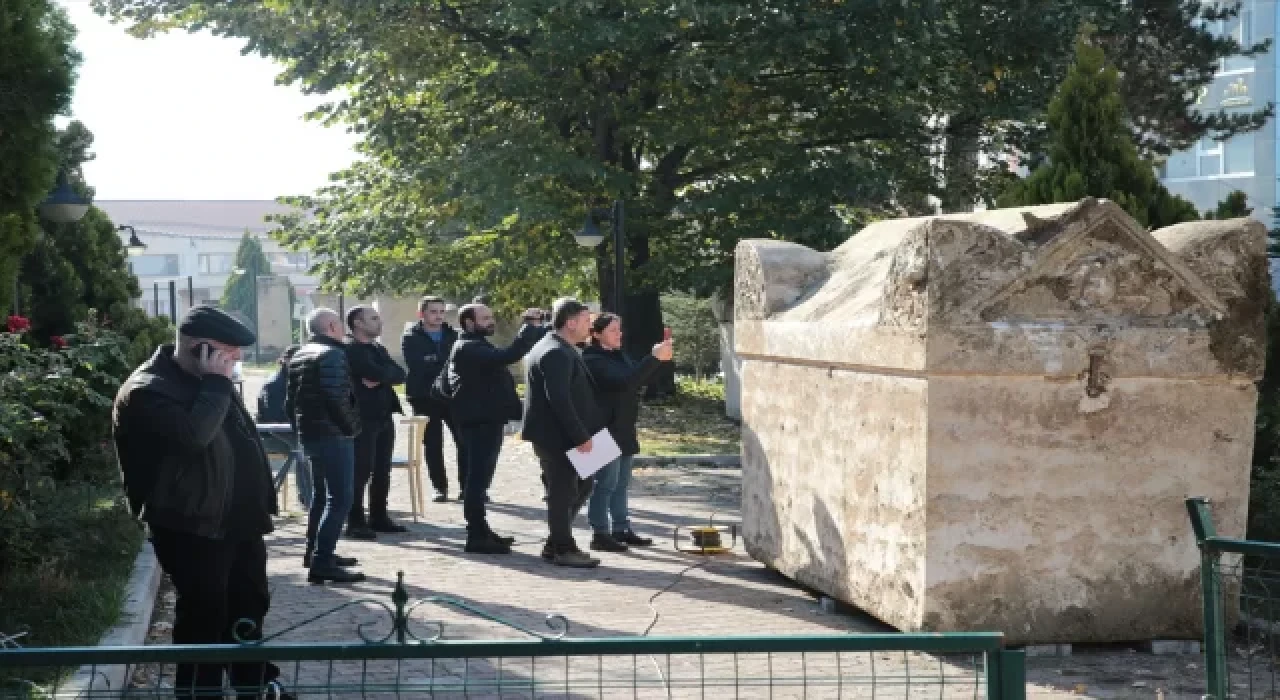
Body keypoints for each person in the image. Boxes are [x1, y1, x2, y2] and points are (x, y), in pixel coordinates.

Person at [111, 306, 294, 700]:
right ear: (201, 348)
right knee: (204, 615)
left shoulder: (212, 380)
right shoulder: (148, 389)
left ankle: (255, 685)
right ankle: (198, 693)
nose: (238, 358)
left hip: (239, 520)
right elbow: (193, 437)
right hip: (192, 524)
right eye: (229, 350)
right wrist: (216, 385)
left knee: (249, 605)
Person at [449, 302, 547, 553]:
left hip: (488, 420)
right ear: (469, 323)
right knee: (476, 481)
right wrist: (528, 329)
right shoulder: (468, 347)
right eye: (484, 318)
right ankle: (476, 535)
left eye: (491, 317)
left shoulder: (477, 344)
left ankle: (482, 530)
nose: (490, 322)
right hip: (478, 423)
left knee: (481, 480)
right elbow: (507, 356)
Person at [522, 297, 606, 568]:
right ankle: (562, 547)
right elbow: (558, 399)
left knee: (584, 484)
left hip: (571, 433)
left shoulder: (562, 346)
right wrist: (580, 435)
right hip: (558, 436)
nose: (589, 326)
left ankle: (557, 539)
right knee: (562, 491)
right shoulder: (554, 351)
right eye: (585, 321)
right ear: (570, 323)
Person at [285, 308, 366, 584]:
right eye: (341, 324)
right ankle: (322, 560)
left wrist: (301, 430)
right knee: (340, 498)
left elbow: (291, 401)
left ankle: (317, 551)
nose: (344, 328)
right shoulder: (332, 354)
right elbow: (336, 398)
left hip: (311, 432)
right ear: (332, 326)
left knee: (322, 496)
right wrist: (351, 428)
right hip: (332, 434)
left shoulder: (300, 354)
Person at [582, 313, 673, 552]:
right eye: (613, 330)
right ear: (596, 334)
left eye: (619, 330)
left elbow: (637, 379)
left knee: (621, 483)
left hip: (623, 429)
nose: (619, 334)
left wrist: (659, 360)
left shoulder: (619, 355)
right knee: (605, 484)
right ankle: (600, 533)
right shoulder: (592, 359)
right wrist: (653, 358)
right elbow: (624, 382)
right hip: (601, 430)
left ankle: (620, 528)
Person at [345, 305, 409, 538]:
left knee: (382, 469)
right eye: (373, 318)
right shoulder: (352, 350)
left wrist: (380, 378)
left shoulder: (378, 348)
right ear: (358, 323)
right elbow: (375, 371)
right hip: (362, 417)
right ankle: (355, 521)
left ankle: (379, 516)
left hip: (384, 416)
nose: (379, 322)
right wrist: (383, 375)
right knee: (361, 470)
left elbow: (399, 374)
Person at [402, 295, 464, 503]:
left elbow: (460, 363)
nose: (438, 316)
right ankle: (440, 487)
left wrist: (437, 361)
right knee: (433, 443)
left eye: (441, 311)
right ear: (422, 314)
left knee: (463, 441)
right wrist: (443, 363)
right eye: (433, 311)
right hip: (423, 396)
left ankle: (467, 486)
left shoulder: (454, 335)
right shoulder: (411, 336)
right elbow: (418, 365)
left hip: (453, 395)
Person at [255, 344, 299, 423]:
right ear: (286, 360)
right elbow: (275, 417)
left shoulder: (294, 379)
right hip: (277, 430)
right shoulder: (275, 384)